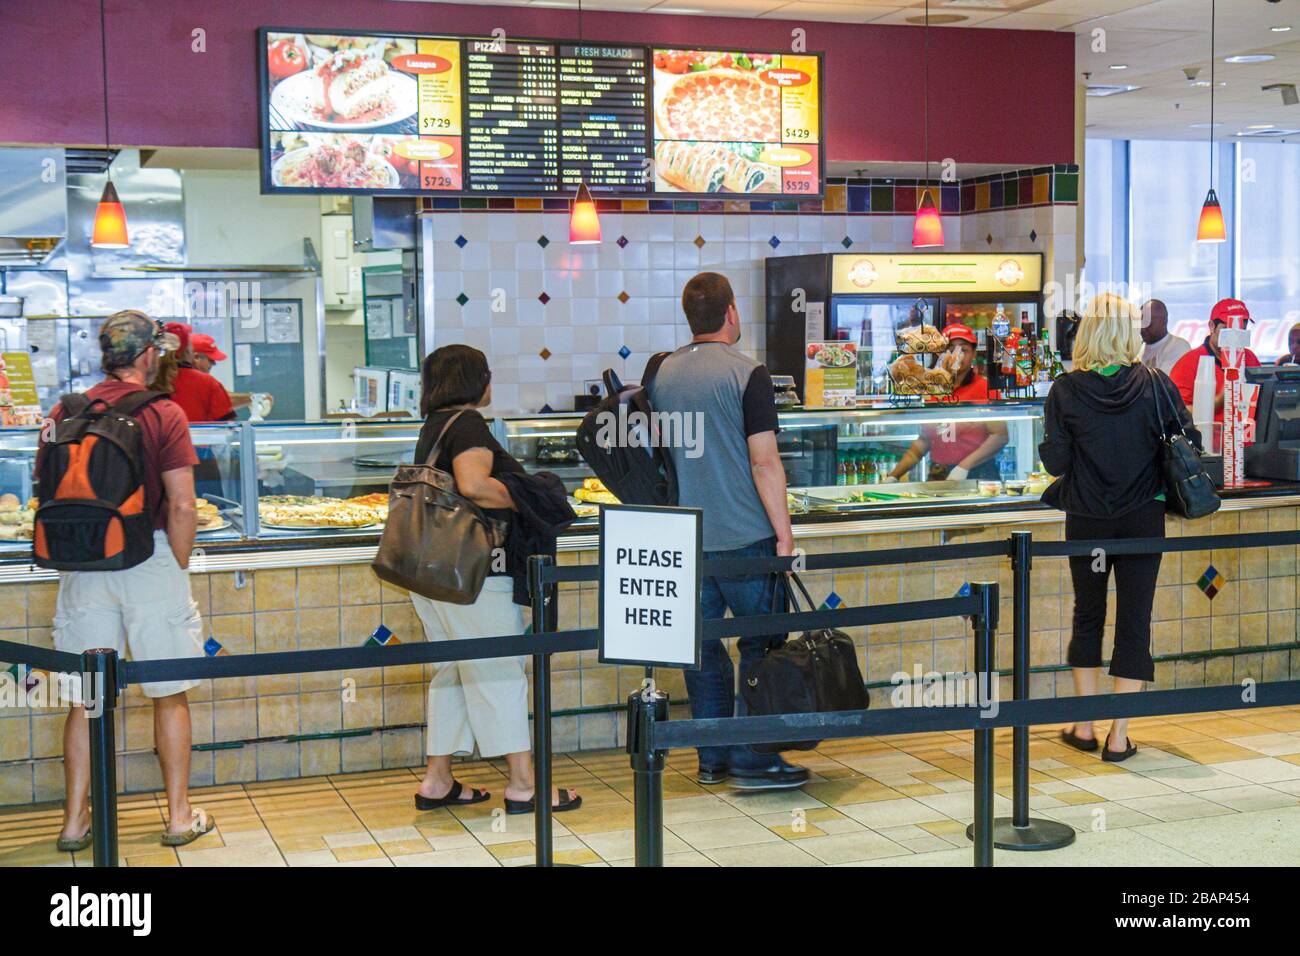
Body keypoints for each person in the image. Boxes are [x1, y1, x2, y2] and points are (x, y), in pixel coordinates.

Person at [42, 310, 213, 848]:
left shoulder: (64, 409)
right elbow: (183, 503)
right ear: (148, 355)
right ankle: (180, 817)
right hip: (149, 560)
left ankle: (74, 822)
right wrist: (175, 562)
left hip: (83, 565)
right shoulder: (163, 412)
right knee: (169, 692)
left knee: (84, 699)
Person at [647, 272, 808, 791]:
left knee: (702, 651)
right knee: (760, 649)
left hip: (683, 538)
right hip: (745, 537)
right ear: (732, 313)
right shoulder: (748, 372)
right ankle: (754, 758)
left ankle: (712, 759)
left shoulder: (661, 372)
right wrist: (784, 536)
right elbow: (765, 463)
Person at [408, 344, 581, 814]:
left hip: (432, 572)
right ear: (474, 380)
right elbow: (473, 486)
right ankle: (526, 786)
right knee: (498, 672)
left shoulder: (435, 424)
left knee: (456, 671)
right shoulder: (467, 423)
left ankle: (437, 779)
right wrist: (531, 495)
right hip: (477, 575)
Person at [1038, 293, 1199, 761]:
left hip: (1087, 518)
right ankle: (1118, 736)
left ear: (1086, 334)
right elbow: (1189, 440)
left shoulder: (1065, 390)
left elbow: (1057, 462)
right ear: (1129, 334)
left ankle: (1084, 725)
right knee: (1135, 619)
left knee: (1087, 614)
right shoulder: (1156, 384)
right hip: (1142, 516)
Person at [885, 323, 1008, 482]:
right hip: (938, 473)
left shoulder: (985, 388)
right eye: (950, 349)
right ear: (940, 354)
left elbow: (1000, 436)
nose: (956, 355)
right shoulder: (932, 389)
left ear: (973, 354)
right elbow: (925, 440)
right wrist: (894, 475)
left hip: (978, 474)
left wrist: (964, 467)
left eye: (963, 349)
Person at [1168, 298, 1260, 423]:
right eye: (1227, 331)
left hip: (1248, 438)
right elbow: (1178, 413)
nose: (1234, 338)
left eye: (1240, 332)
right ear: (1212, 326)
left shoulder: (1250, 358)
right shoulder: (1188, 364)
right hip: (1206, 440)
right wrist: (1220, 399)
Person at [150, 322, 236, 423]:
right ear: (188, 351)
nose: (213, 364)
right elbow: (229, 429)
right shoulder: (208, 383)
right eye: (210, 360)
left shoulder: (147, 381)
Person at [191, 333, 258, 413]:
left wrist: (251, 398)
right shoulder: (187, 380)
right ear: (196, 357)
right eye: (210, 360)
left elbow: (219, 395)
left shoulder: (201, 381)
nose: (214, 364)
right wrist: (254, 398)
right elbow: (221, 400)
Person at [1139, 299, 1190, 374]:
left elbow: (1163, 383)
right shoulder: (1138, 349)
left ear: (1164, 321)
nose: (1142, 328)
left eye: (1147, 322)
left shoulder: (1178, 346)